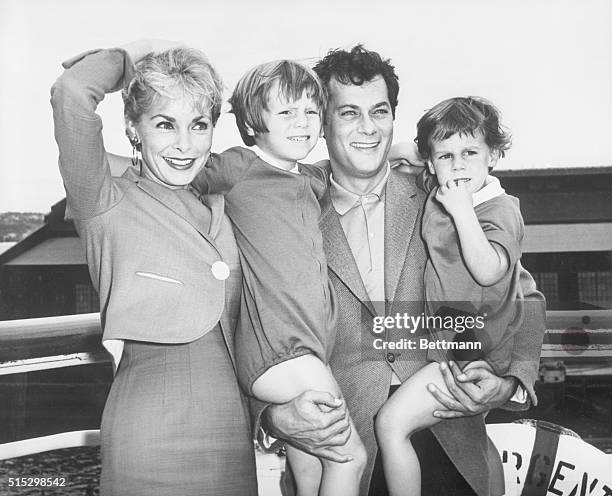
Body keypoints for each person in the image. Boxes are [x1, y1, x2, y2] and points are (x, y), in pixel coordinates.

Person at [261, 45, 546, 496]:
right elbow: (245, 318)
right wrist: (271, 415)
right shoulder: (281, 205)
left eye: (380, 111)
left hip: (451, 441)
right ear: (321, 121)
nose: (368, 128)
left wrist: (510, 383)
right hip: (340, 454)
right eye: (349, 113)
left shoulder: (445, 195)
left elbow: (524, 296)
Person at [50, 40, 257, 495]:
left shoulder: (221, 206)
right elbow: (71, 92)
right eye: (165, 124)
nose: (185, 145)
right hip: (150, 433)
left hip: (231, 434)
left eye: (198, 125)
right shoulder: (104, 201)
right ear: (133, 129)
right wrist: (126, 64)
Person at [191, 59, 367, 496]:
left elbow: (345, 169)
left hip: (306, 348)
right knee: (351, 456)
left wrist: (404, 151)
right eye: (287, 112)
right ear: (254, 122)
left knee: (309, 465)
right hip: (279, 349)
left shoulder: (310, 178)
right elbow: (176, 173)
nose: (303, 122)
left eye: (311, 111)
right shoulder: (240, 165)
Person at [374, 96, 526, 496]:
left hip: (470, 351)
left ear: (493, 155)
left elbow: (490, 268)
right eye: (446, 156)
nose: (458, 165)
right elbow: (405, 152)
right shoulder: (441, 188)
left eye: (471, 152)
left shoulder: (498, 208)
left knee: (391, 425)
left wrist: (463, 212)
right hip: (448, 343)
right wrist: (409, 151)